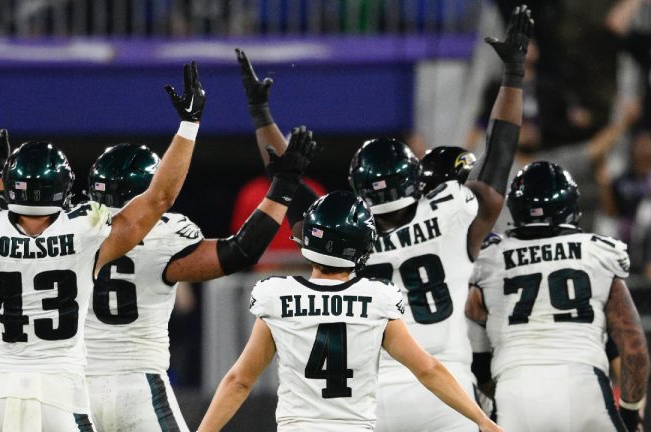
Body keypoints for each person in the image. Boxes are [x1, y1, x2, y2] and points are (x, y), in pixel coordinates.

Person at [0, 47, 204, 431]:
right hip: (61, 396)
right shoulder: (84, 230)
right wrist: (189, 125)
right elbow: (160, 197)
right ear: (66, 187)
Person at [344, 6, 532, 431]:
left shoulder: (345, 232)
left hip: (367, 393)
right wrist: (513, 76)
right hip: (445, 387)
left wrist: (265, 123)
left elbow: (290, 197)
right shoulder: (450, 213)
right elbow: (499, 158)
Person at [197, 191, 503, 432]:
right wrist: (481, 419)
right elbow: (427, 369)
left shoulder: (278, 296)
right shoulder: (377, 299)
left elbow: (240, 380)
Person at [82, 126, 315, 431]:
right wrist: (284, 187)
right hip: (137, 384)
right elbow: (240, 251)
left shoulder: (68, 230)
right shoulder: (164, 233)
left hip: (75, 385)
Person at [466, 161, 649, 432]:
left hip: (515, 391)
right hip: (585, 387)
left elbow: (476, 355)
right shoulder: (597, 253)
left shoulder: (489, 259)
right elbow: (633, 346)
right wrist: (632, 413)